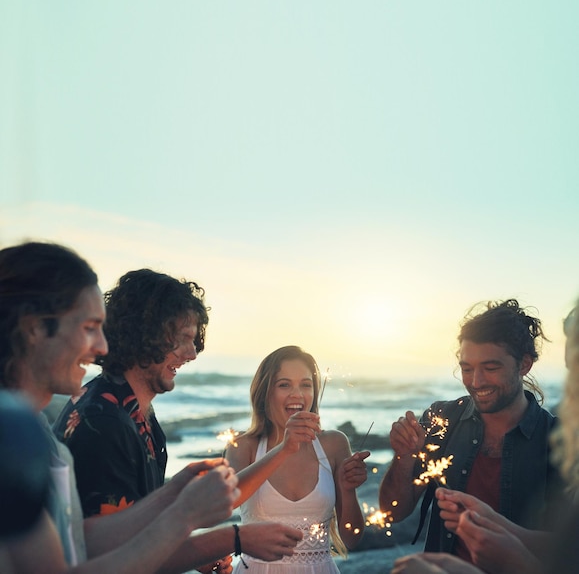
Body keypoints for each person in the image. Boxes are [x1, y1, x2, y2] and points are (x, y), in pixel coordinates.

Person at [0, 241, 301, 574]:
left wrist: (172, 494)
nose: (101, 345)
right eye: (88, 328)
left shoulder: (121, 420)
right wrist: (223, 535)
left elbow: (79, 542)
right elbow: (88, 560)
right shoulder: (97, 423)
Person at [391, 304, 579, 574]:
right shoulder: (442, 418)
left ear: (524, 364)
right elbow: (395, 512)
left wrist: (502, 530)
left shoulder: (562, 443)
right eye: (467, 368)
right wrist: (403, 456)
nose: (476, 381)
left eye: (490, 368)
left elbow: (569, 550)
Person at [53, 268, 209, 518]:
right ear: (144, 335)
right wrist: (225, 539)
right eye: (182, 339)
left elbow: (142, 526)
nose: (191, 354)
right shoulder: (106, 424)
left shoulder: (134, 409)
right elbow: (110, 548)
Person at [226, 345, 370, 573]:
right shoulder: (244, 446)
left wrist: (348, 489)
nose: (298, 394)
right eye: (284, 384)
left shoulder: (333, 444)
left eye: (306, 385)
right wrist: (285, 448)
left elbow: (352, 538)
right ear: (265, 392)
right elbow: (228, 501)